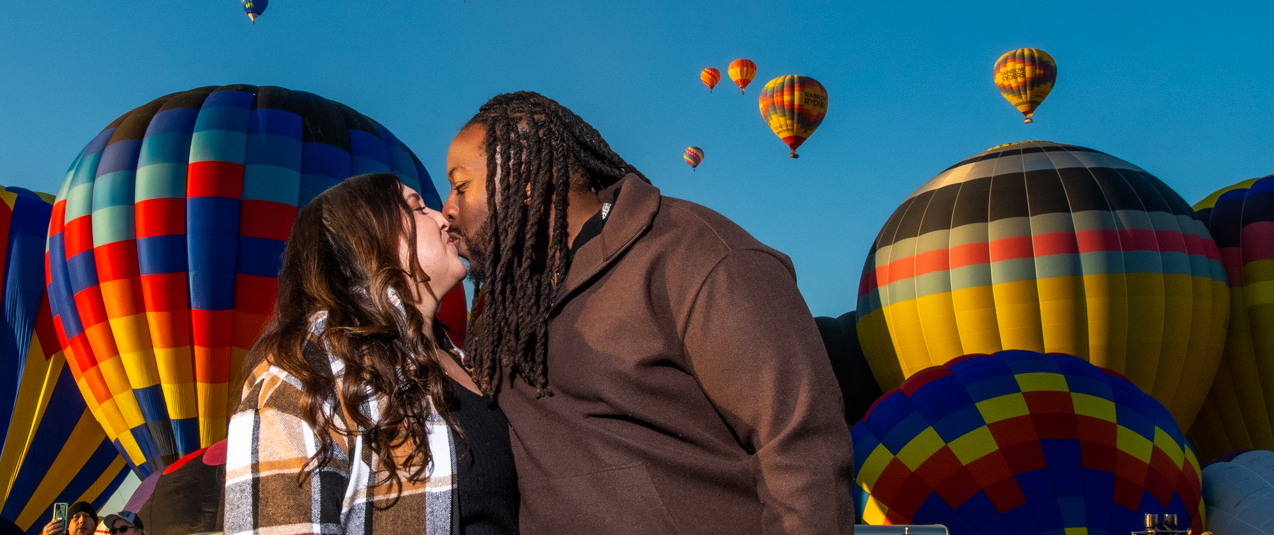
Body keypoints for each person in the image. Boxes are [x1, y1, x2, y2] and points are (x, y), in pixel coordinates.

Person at [442, 91, 854, 535]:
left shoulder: (695, 255)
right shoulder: (501, 307)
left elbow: (802, 449)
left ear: (523, 179)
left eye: (461, 186)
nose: (447, 209)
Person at [224, 172, 518, 535]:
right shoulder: (307, 369)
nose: (443, 217)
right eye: (418, 209)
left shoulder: (470, 364)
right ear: (367, 238)